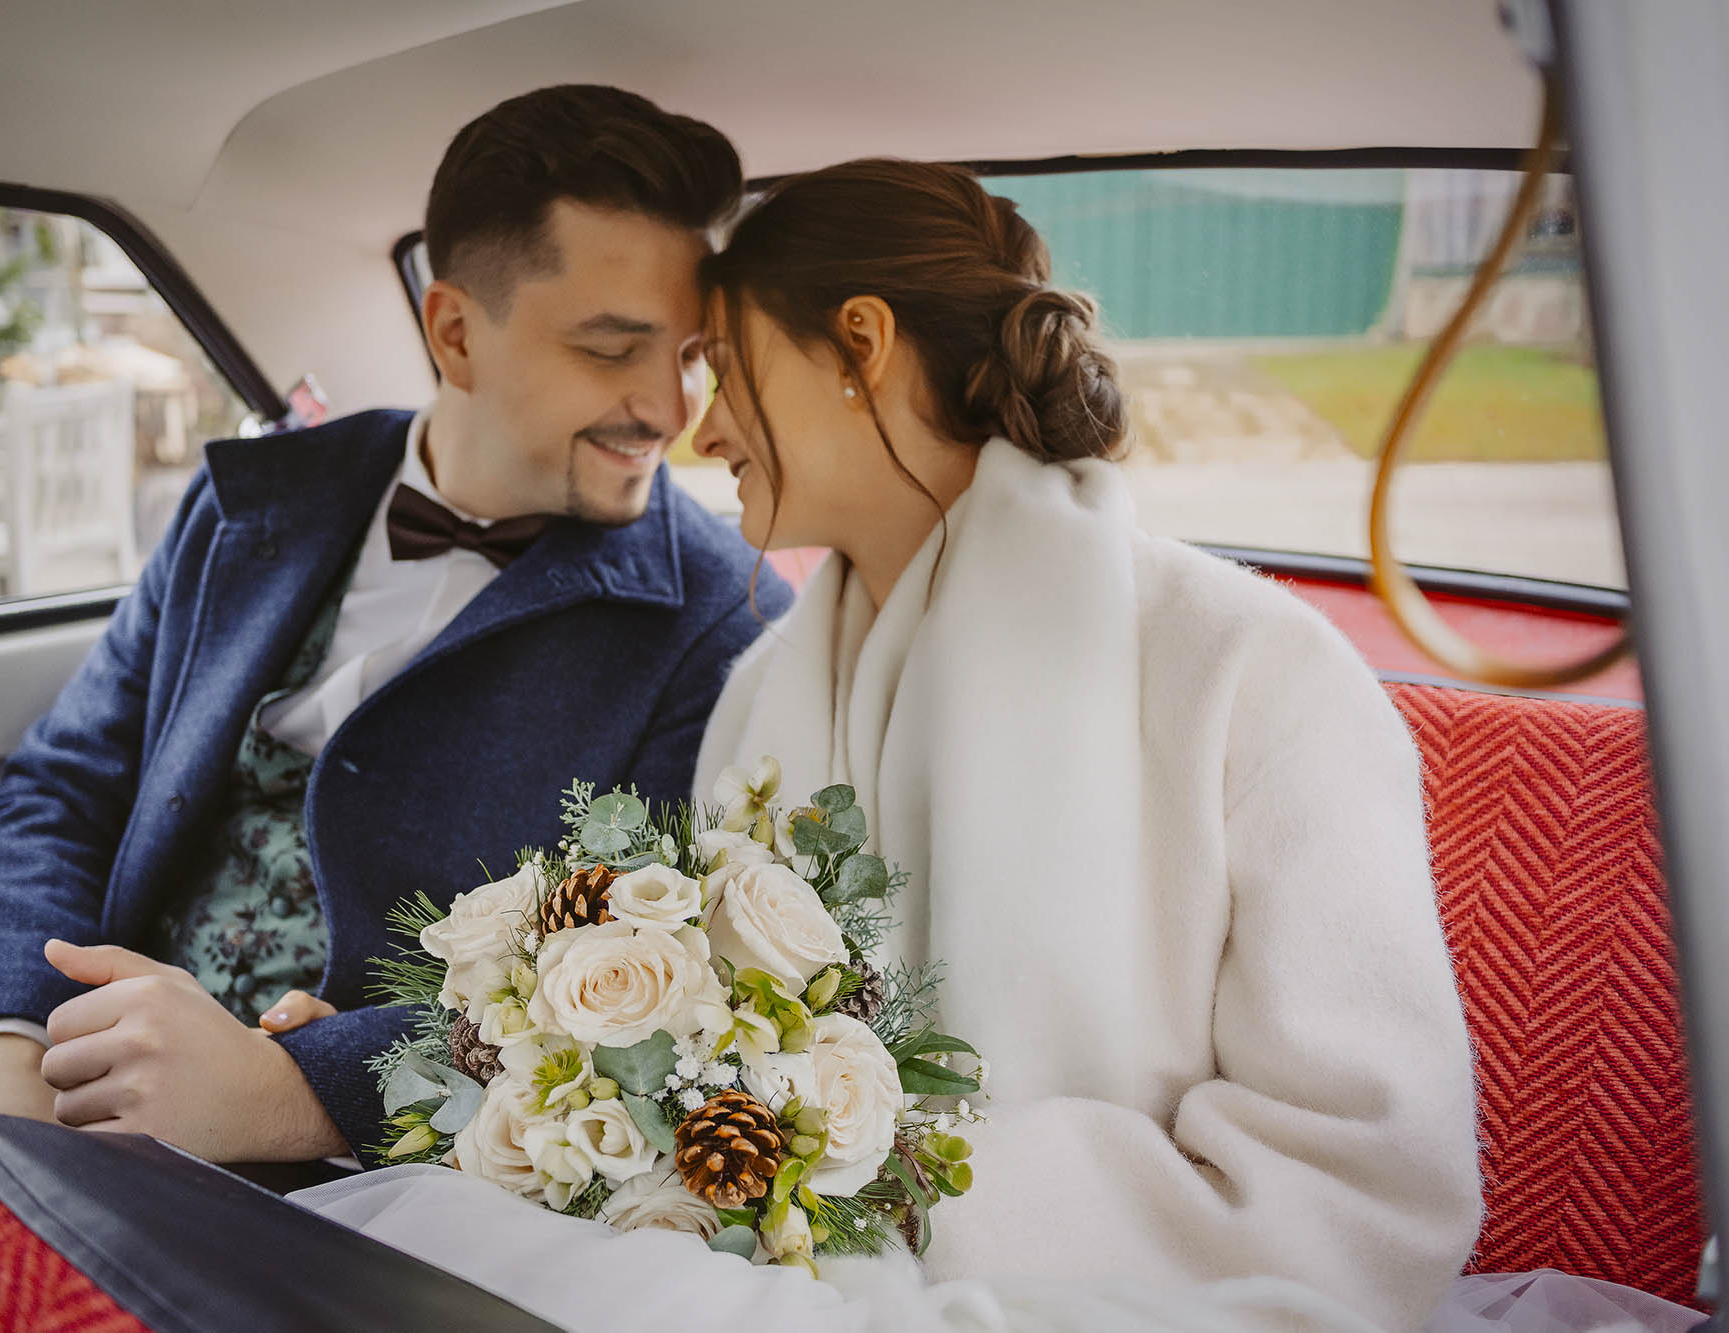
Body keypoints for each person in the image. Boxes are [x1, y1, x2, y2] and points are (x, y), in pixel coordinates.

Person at [286, 159, 1705, 1333]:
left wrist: (873, 1183)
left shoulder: (1253, 674)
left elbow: (1360, 1187)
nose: (700, 432)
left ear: (860, 345)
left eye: (726, 368)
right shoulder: (764, 688)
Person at [0, 84, 790, 1171]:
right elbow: (64, 786)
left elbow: (646, 993)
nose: (674, 411)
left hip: (336, 1150)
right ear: (455, 332)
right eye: (612, 349)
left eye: (690, 356)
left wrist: (302, 1088)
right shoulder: (257, 500)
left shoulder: (724, 625)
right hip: (69, 1023)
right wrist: (0, 1039)